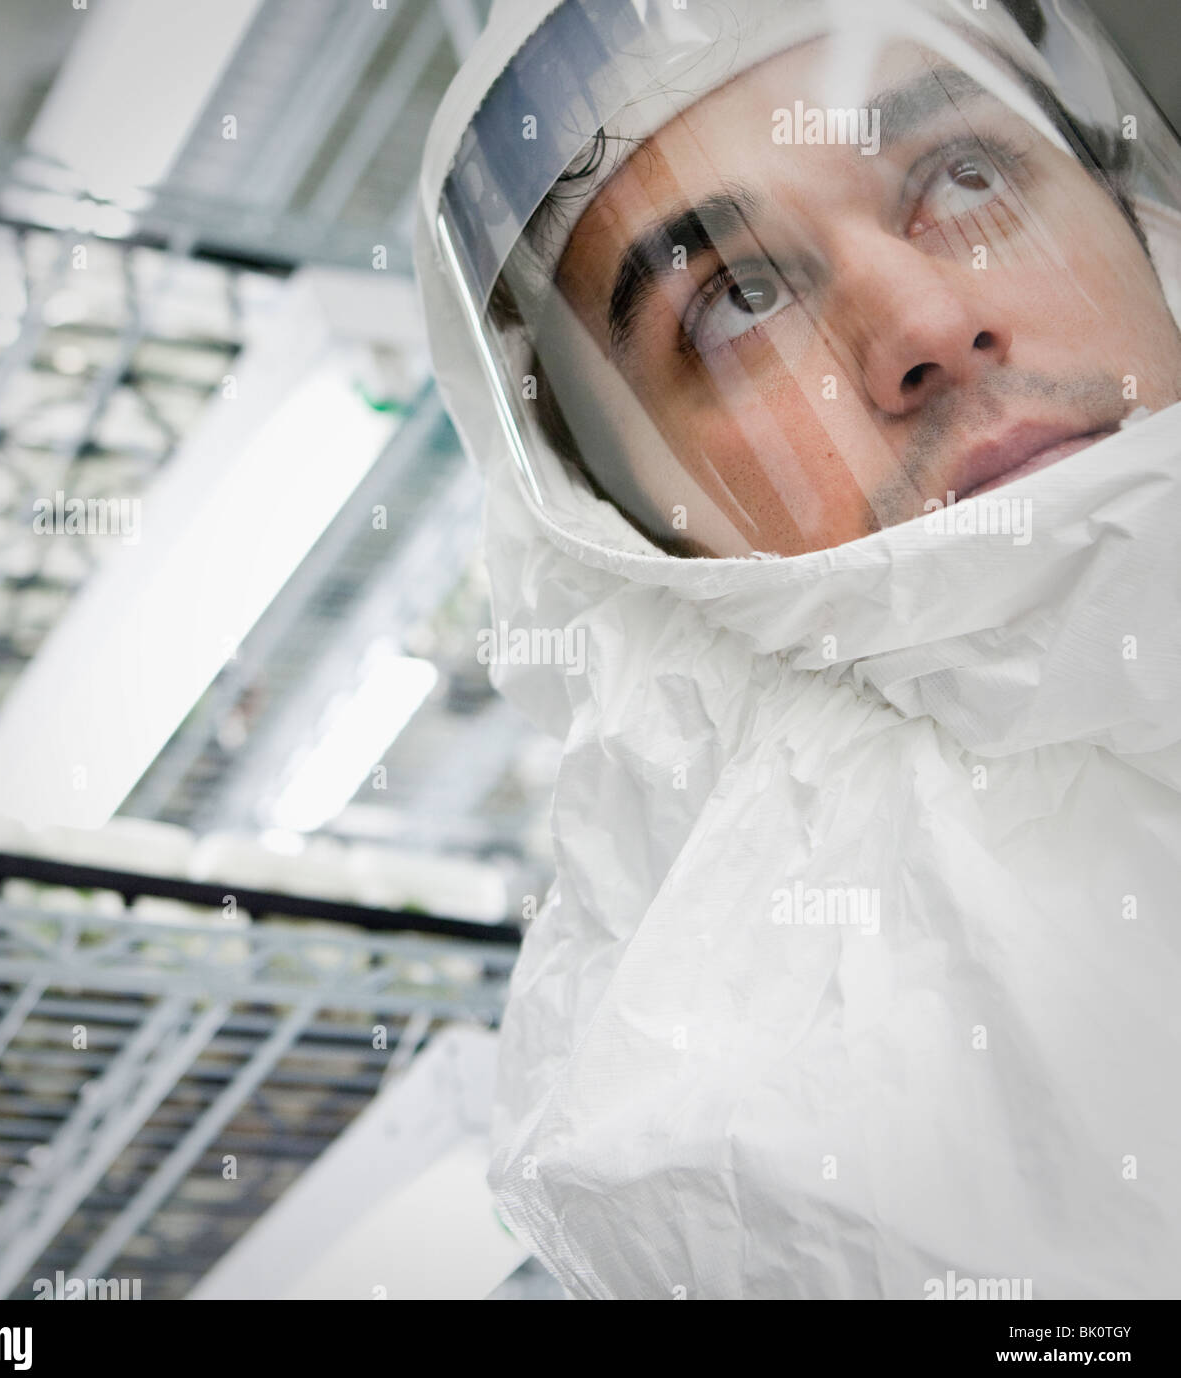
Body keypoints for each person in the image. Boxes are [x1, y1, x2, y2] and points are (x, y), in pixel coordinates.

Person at [416, 0, 1181, 1298]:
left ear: (1137, 213)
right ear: (619, 533)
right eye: (736, 301)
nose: (928, 325)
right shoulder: (764, 1190)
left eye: (966, 175)